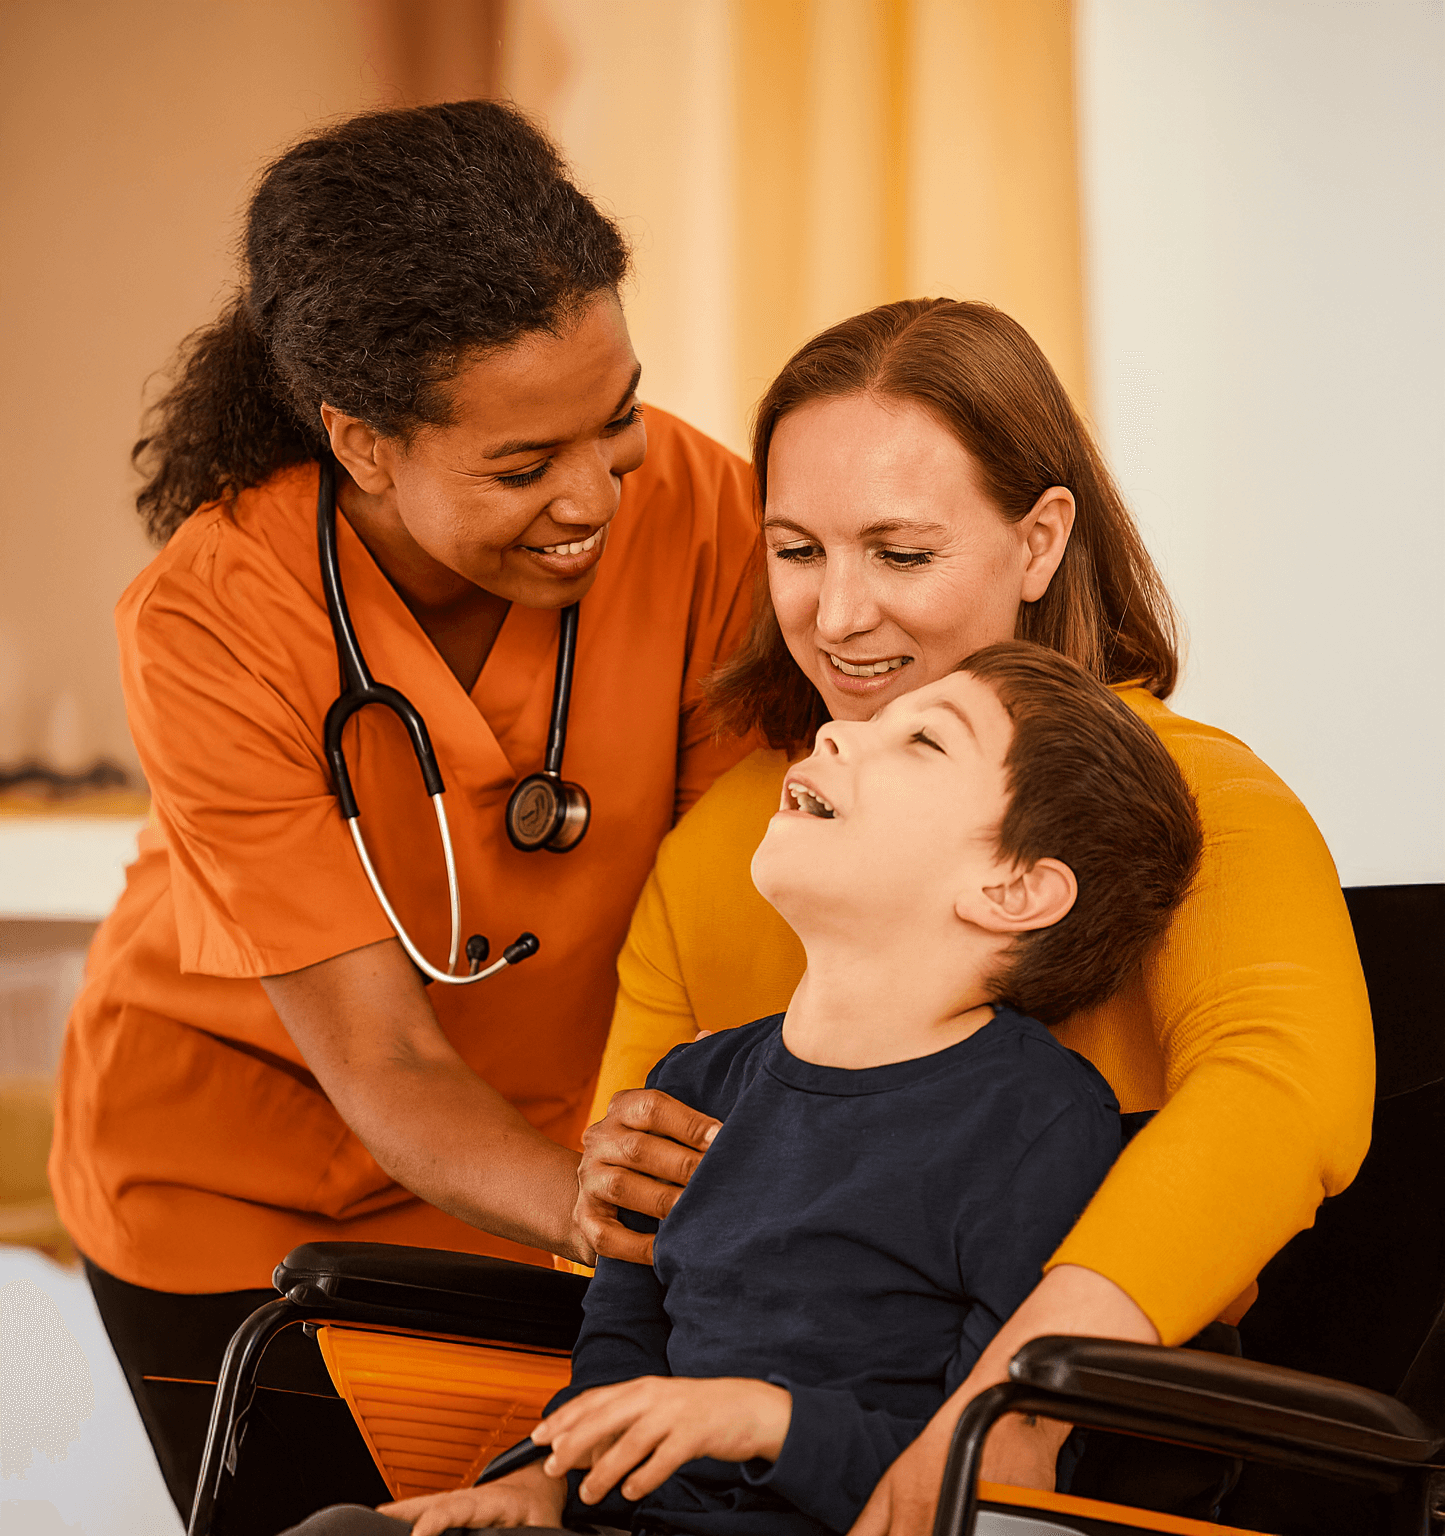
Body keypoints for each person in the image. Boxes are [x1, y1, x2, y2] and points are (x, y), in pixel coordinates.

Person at [48, 100, 761, 1525]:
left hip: (563, 1165)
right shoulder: (212, 614)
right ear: (362, 442)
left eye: (612, 418)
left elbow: (727, 929)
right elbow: (379, 1056)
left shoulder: (699, 512)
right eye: (517, 467)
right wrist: (606, 1216)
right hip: (231, 1193)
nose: (592, 496)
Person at [569, 299, 1374, 1532]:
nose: (835, 619)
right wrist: (612, 1176)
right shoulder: (742, 830)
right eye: (795, 551)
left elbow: (1281, 1097)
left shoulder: (1206, 801)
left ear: (1039, 539)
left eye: (900, 555)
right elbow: (636, 1243)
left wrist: (1012, 1408)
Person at [282, 640, 1204, 1536]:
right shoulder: (694, 1082)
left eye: (921, 741)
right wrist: (538, 1481)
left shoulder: (1034, 1118)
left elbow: (999, 1480)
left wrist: (767, 1421)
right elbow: (619, 1344)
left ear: (1012, 892)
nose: (838, 734)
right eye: (868, 722)